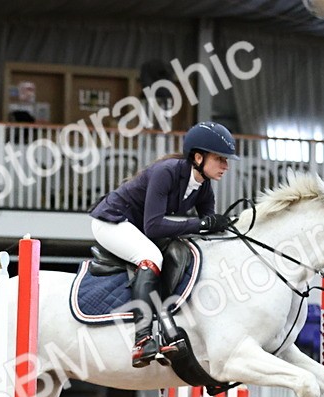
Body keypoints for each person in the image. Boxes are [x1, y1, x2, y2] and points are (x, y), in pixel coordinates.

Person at [89, 121, 236, 367]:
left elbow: (207, 229)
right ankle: (142, 339)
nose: (226, 166)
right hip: (112, 221)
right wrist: (200, 224)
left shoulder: (204, 186)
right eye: (220, 159)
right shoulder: (166, 172)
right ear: (198, 157)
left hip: (136, 227)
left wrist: (224, 226)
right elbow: (154, 227)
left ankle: (168, 326)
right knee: (151, 257)